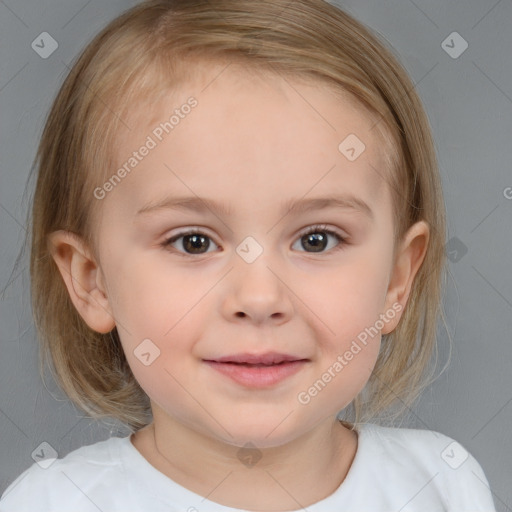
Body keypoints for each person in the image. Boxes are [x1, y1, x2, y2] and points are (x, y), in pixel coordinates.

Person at [0, 0, 497, 510]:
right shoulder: (57, 502)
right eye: (193, 241)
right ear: (92, 280)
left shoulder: (443, 484)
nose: (259, 299)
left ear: (397, 278)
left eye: (316, 239)